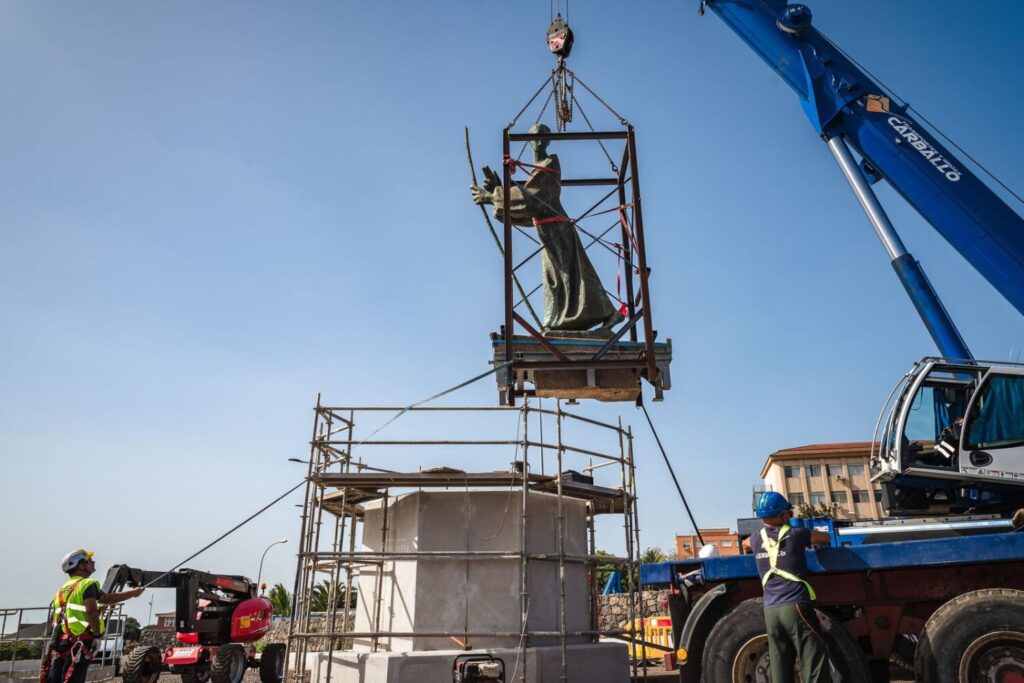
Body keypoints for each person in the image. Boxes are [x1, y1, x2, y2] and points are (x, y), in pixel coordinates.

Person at [471, 123, 624, 336]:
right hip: (547, 231)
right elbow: (527, 198)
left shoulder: (550, 164)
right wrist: (498, 186)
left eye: (544, 136)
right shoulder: (537, 169)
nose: (540, 140)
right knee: (558, 278)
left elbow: (533, 200)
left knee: (571, 274)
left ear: (549, 140)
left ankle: (605, 314)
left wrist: (492, 196)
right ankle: (562, 319)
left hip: (557, 229)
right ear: (529, 139)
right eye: (535, 136)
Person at [744, 492, 833, 683]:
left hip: (771, 611)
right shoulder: (796, 534)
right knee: (813, 660)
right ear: (783, 515)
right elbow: (824, 538)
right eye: (788, 514)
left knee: (780, 665)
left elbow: (745, 544)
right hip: (796, 607)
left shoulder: (755, 539)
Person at [43, 549, 144, 683]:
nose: (93, 562)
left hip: (61, 641)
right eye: (89, 561)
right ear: (80, 566)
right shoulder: (87, 584)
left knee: (56, 677)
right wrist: (97, 635)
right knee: (74, 677)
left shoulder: (62, 589)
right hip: (80, 640)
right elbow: (93, 608)